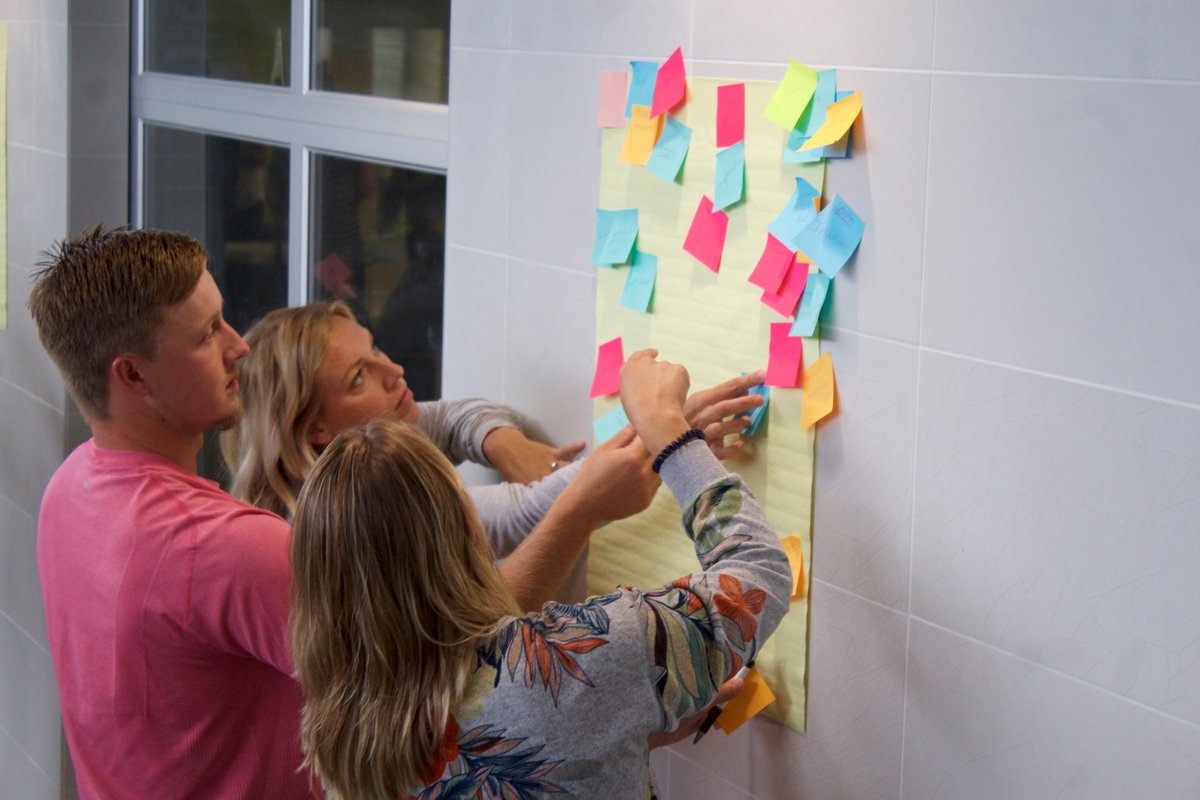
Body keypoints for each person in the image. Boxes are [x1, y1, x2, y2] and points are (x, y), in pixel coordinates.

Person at [25, 226, 658, 798]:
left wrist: (502, 441)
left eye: (223, 320)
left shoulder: (70, 489)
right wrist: (596, 495)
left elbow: (437, 418)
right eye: (205, 335)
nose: (236, 347)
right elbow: (452, 673)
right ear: (133, 376)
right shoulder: (229, 549)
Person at [289, 349, 793, 799]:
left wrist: (617, 725)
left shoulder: (341, 732)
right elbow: (760, 572)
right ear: (467, 527)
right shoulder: (576, 659)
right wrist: (666, 431)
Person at [222, 301, 768, 601]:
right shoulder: (359, 511)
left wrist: (505, 443)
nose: (396, 371)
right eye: (360, 377)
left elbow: (456, 416)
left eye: (376, 349)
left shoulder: (363, 442)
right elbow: (532, 512)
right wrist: (663, 428)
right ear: (314, 428)